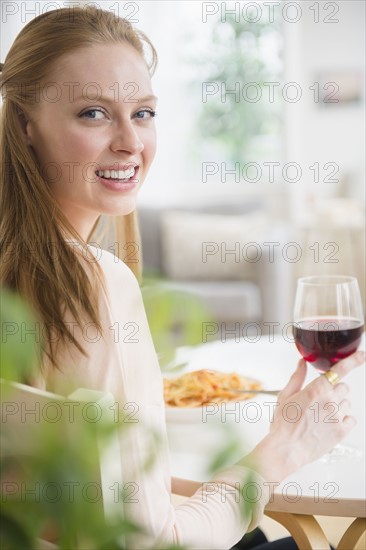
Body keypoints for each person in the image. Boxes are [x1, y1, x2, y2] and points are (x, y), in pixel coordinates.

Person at [0, 7, 364, 550]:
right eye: (94, 113)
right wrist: (286, 444)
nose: (130, 142)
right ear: (26, 124)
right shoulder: (94, 284)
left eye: (143, 113)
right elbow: (154, 544)